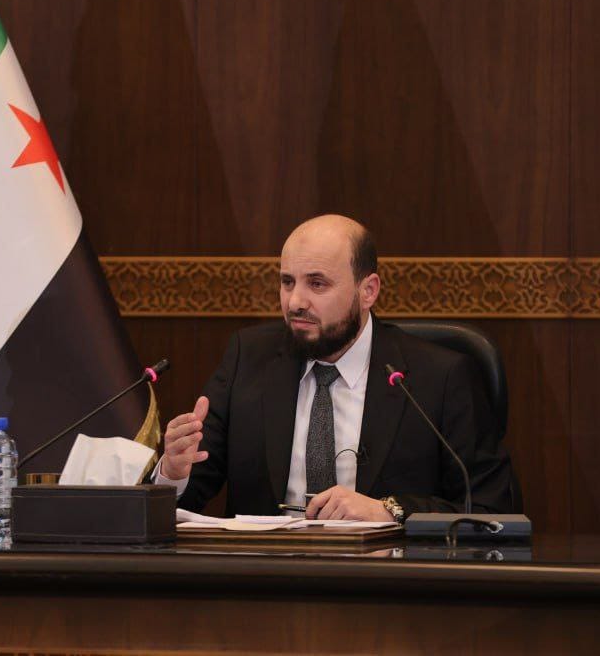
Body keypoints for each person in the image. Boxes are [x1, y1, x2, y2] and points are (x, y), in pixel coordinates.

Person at [155, 215, 517, 521]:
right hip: (268, 574)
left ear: (368, 291)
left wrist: (389, 510)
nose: (295, 302)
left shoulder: (439, 377)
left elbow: (492, 510)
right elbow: (185, 496)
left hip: (386, 576)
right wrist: (172, 474)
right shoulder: (247, 359)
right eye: (287, 282)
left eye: (317, 284)